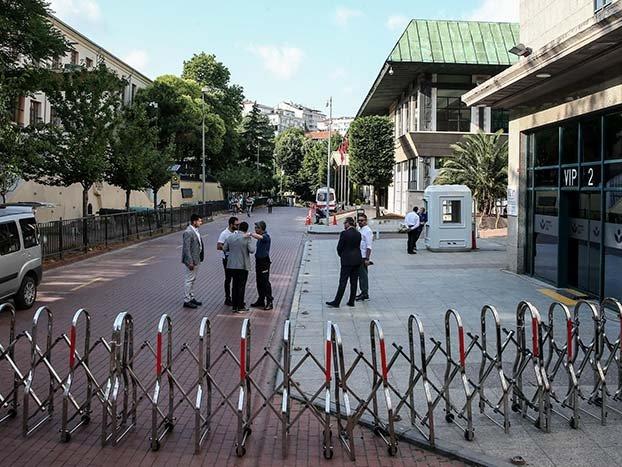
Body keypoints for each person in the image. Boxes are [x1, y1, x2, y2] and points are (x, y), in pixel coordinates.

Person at [326, 217, 362, 308]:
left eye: (344, 223)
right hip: (357, 259)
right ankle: (351, 301)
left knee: (343, 281)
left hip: (347, 260)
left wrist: (342, 255)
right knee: (354, 281)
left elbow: (339, 247)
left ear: (348, 223)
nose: (344, 225)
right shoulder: (358, 233)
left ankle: (337, 302)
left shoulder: (344, 233)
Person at [223, 221, 255, 313]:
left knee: (234, 285)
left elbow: (225, 248)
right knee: (241, 286)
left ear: (239, 228)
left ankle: (234, 305)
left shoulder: (230, 237)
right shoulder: (247, 238)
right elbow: (252, 250)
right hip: (243, 265)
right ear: (246, 229)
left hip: (231, 265)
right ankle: (240, 306)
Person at [249, 221, 273, 310]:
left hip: (264, 262)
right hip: (258, 261)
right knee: (259, 281)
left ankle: (269, 301)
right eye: (255, 228)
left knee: (265, 282)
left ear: (262, 228)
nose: (255, 229)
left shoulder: (266, 236)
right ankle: (261, 299)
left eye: (257, 228)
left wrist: (251, 234)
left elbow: (261, 237)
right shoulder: (260, 237)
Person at [181, 214, 204, 309]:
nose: (201, 222)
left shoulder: (195, 230)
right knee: (189, 280)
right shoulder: (188, 232)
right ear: (194, 221)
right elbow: (186, 249)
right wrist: (190, 262)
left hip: (196, 259)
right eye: (199, 221)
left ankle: (191, 297)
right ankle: (186, 300)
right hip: (192, 260)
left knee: (193, 280)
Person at [217, 216, 239, 306]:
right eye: (236, 225)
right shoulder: (224, 234)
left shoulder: (236, 232)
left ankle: (235, 297)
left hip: (236, 259)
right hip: (227, 259)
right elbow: (218, 246)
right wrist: (228, 248)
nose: (238, 226)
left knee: (236, 278)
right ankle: (227, 298)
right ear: (231, 224)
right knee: (228, 279)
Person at [356, 213, 373, 301]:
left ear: (366, 221)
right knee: (360, 275)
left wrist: (367, 259)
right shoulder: (360, 229)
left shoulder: (368, 231)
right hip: (358, 255)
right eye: (358, 220)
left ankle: (365, 294)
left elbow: (369, 246)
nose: (360, 222)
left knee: (363, 276)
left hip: (363, 256)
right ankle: (362, 292)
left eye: (362, 220)